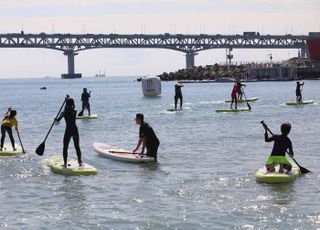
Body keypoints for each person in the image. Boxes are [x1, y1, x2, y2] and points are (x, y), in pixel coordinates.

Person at [56, 97, 83, 167]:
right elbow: (70, 110)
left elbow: (57, 122)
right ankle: (80, 162)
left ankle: (65, 163)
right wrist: (67, 101)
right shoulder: (75, 111)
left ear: (66, 104)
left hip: (68, 131)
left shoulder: (63, 112)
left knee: (65, 147)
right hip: (75, 130)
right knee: (77, 146)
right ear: (73, 104)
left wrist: (55, 119)